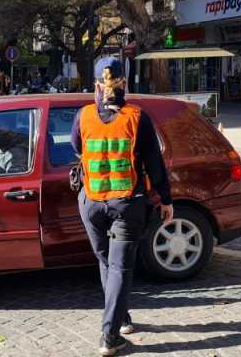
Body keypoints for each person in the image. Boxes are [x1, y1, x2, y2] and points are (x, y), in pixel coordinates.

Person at [70, 57, 173, 356]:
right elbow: (155, 163)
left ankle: (121, 317)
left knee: (106, 263)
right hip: (127, 203)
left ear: (97, 86)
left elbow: (78, 148)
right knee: (119, 267)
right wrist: (165, 200)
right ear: (124, 83)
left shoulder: (84, 115)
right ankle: (110, 335)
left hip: (91, 202)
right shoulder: (137, 118)